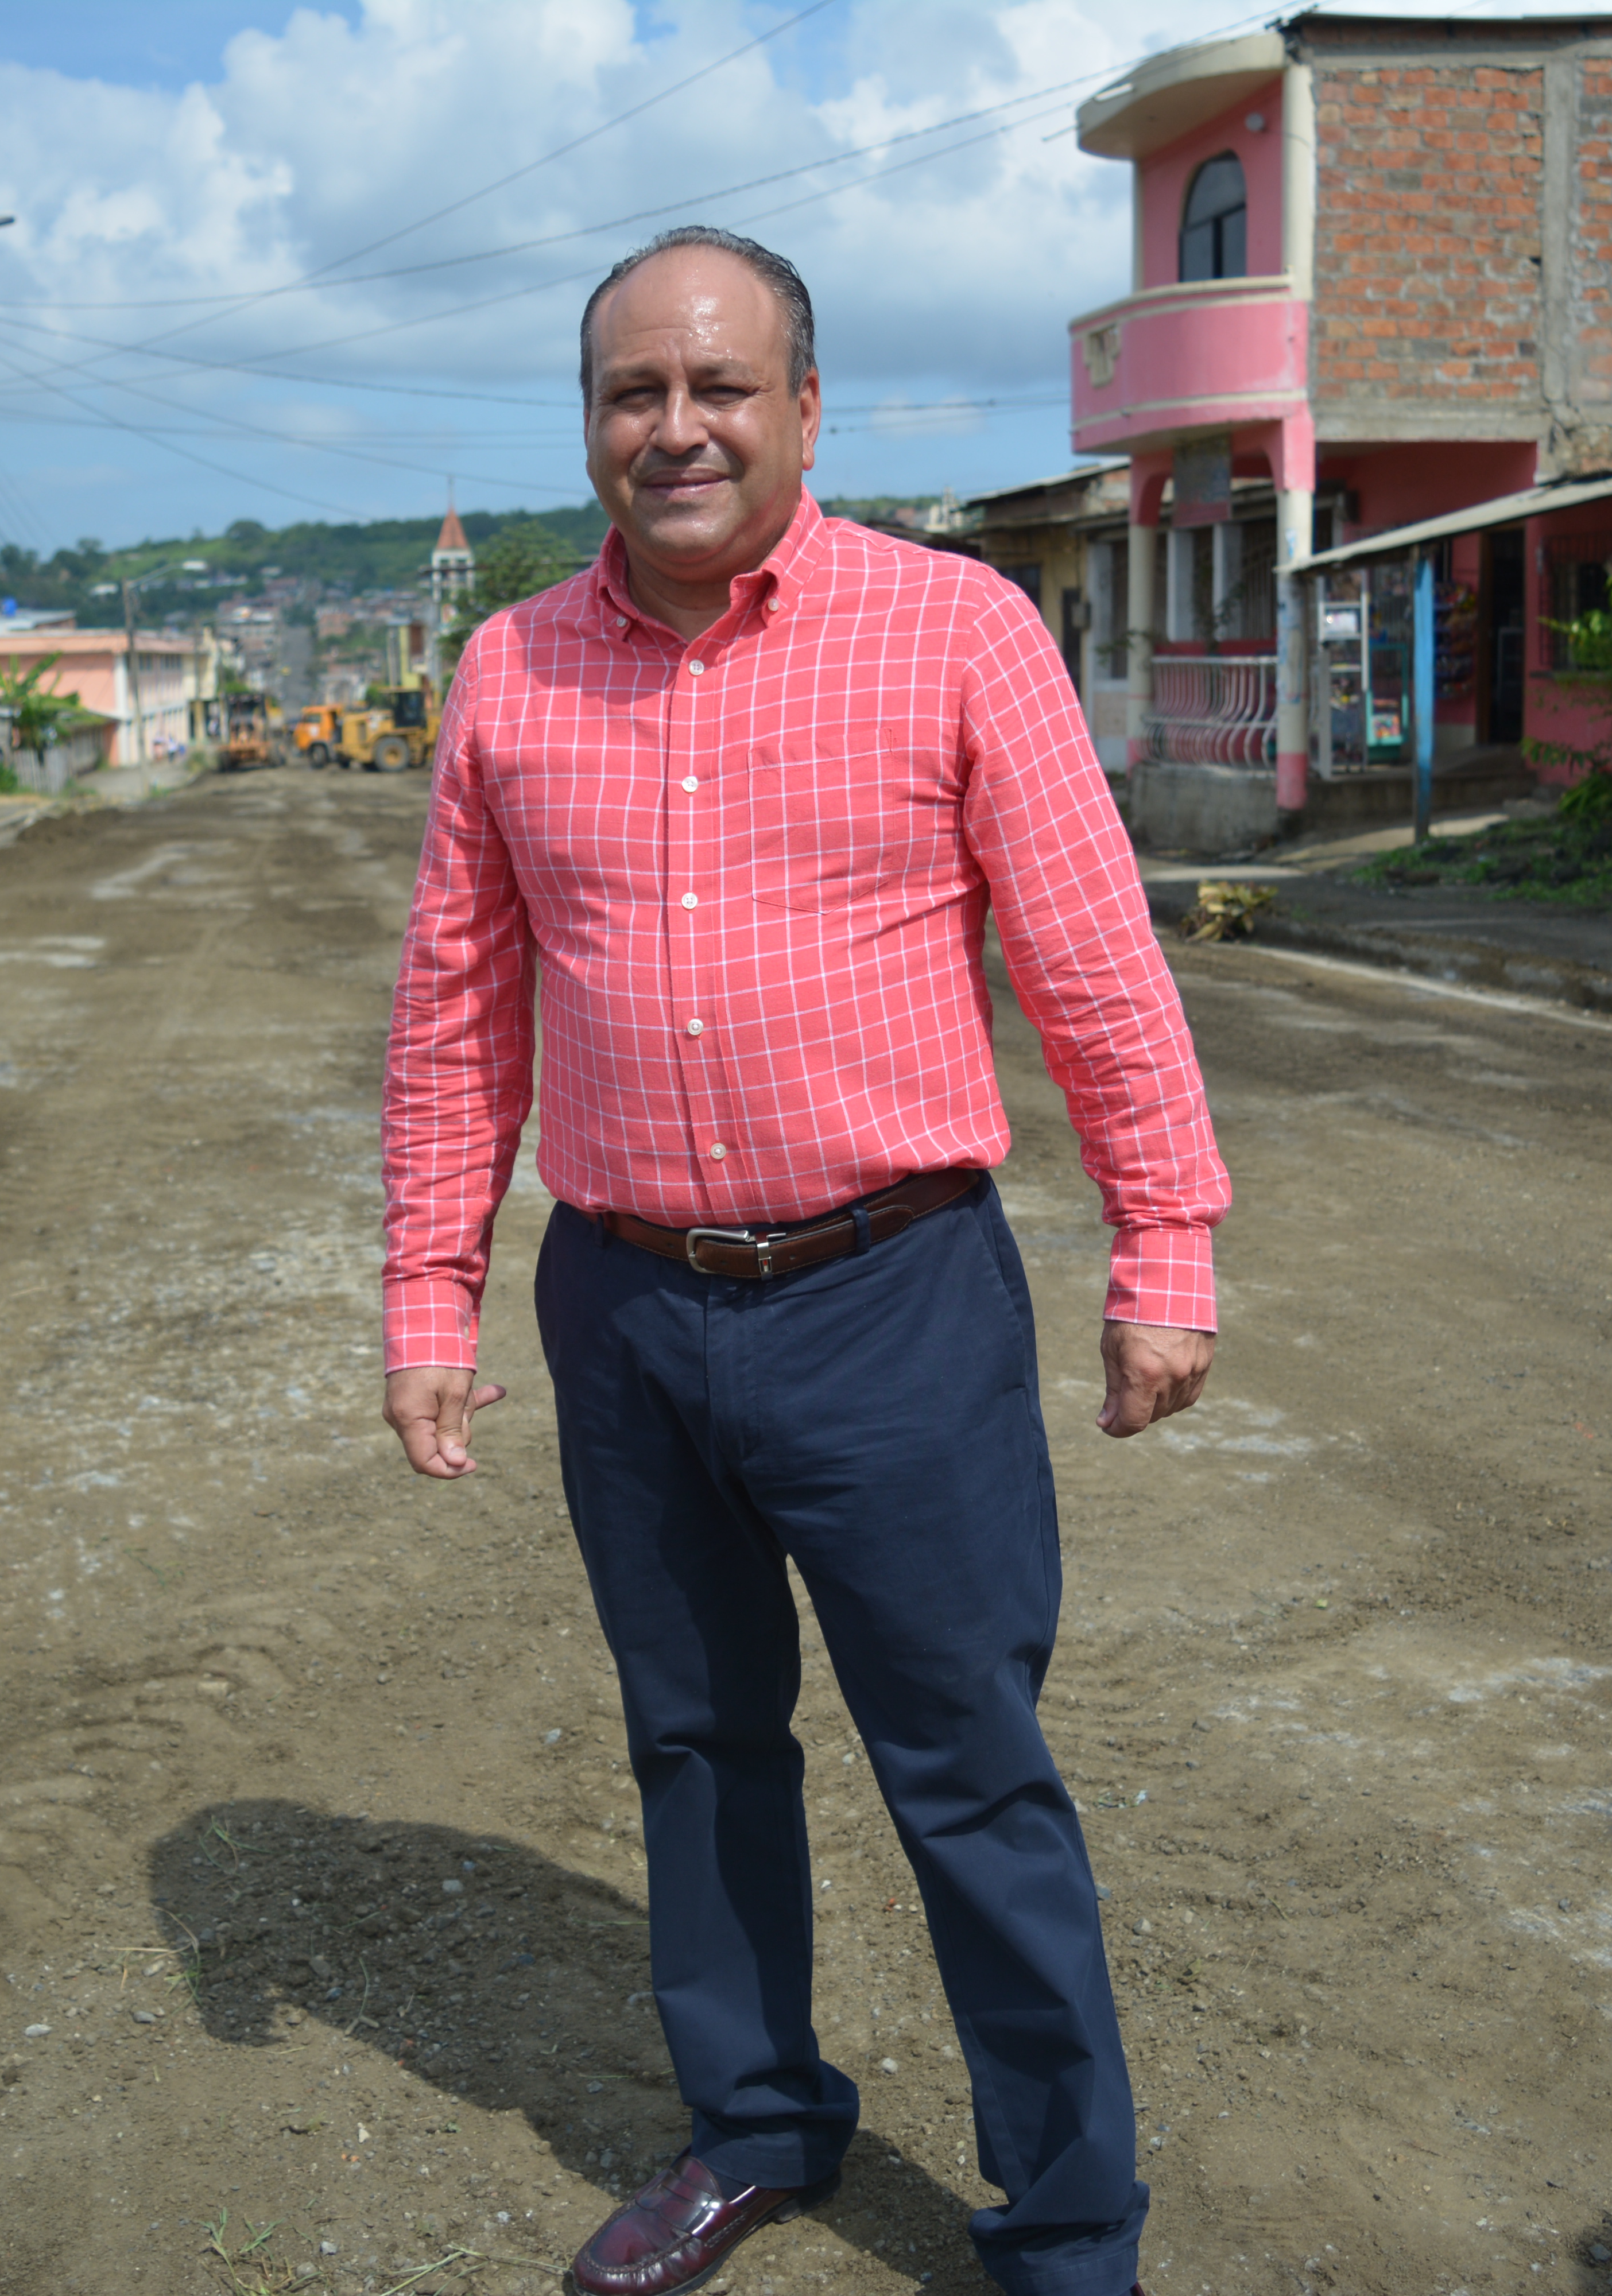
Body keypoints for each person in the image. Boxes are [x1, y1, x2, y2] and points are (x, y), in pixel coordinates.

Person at [378, 226, 1226, 2296]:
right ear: (591, 421)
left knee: (970, 1774)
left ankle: (1069, 2226)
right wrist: (430, 1290)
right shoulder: (512, 668)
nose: (671, 428)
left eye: (715, 387)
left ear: (803, 408)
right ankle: (755, 2117)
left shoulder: (954, 632)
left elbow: (1094, 961)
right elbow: (454, 1004)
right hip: (627, 1301)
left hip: (892, 1304)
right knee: (697, 1742)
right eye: (629, 393)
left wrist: (1165, 1239)